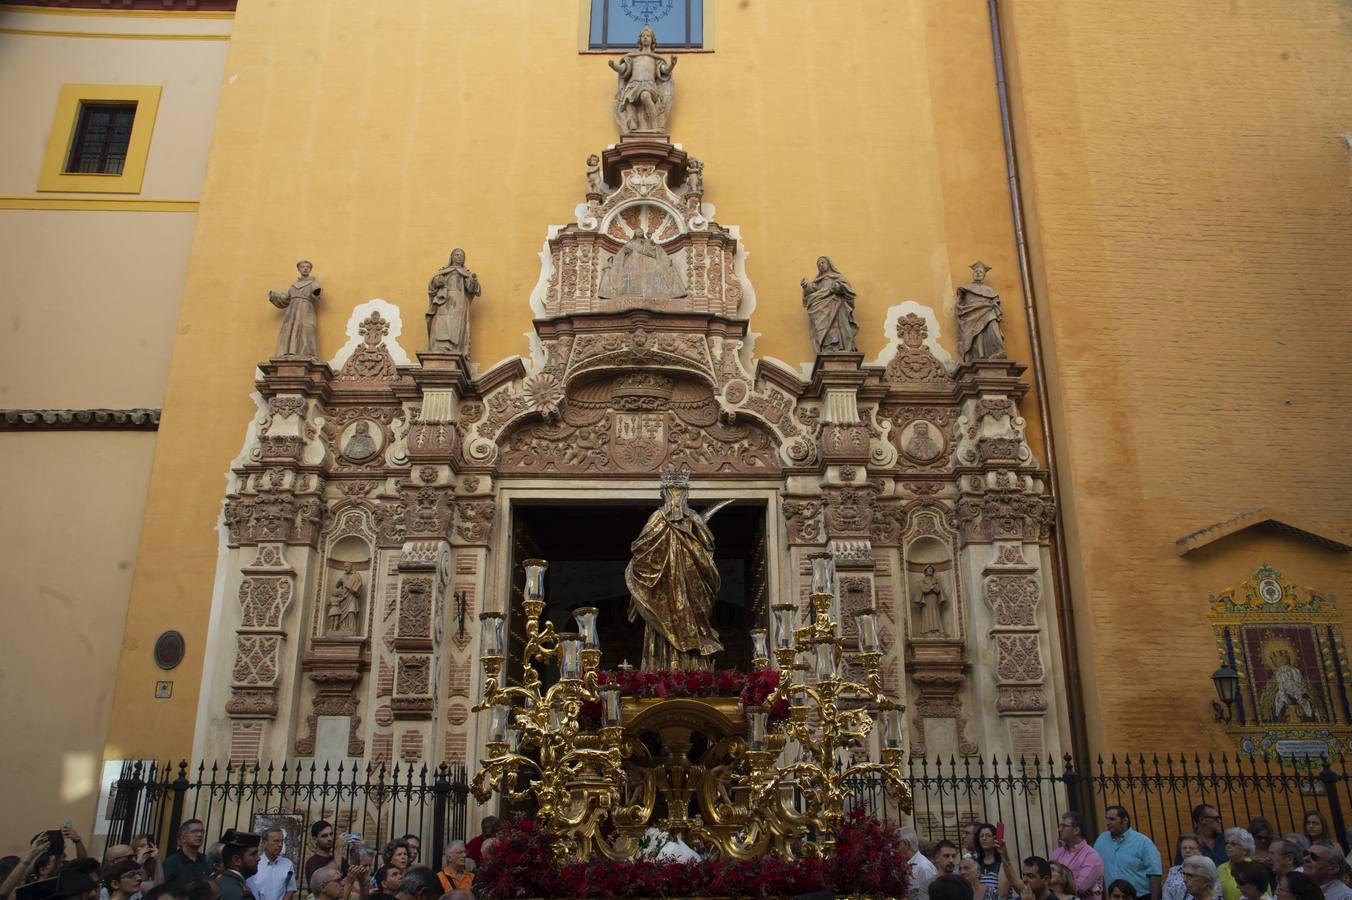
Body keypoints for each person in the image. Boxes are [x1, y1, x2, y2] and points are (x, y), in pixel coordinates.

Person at [624, 476, 729, 671]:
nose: (676, 497)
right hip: (662, 587)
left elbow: (707, 545)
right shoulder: (658, 517)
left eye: (680, 492)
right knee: (664, 619)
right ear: (665, 494)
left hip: (691, 583)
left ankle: (693, 668)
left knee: (691, 617)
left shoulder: (693, 518)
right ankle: (664, 668)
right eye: (672, 491)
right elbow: (642, 547)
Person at [607, 26, 676, 135]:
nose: (645, 38)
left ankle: (655, 125)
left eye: (648, 36)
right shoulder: (633, 57)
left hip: (649, 86)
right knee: (629, 102)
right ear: (640, 39)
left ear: (652, 39)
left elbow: (664, 70)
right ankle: (632, 125)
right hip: (633, 85)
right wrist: (613, 65)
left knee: (645, 96)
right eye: (643, 36)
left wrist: (672, 64)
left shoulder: (655, 58)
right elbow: (623, 69)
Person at [1094, 806, 1162, 900]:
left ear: (1125, 820)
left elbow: (1155, 874)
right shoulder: (1102, 839)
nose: (1108, 822)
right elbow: (1095, 866)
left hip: (1140, 896)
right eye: (1107, 819)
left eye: (1112, 819)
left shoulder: (1143, 842)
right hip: (1114, 897)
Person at [425, 249, 481, 355]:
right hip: (443, 302)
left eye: (461, 255)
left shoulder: (466, 274)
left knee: (456, 325)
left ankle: (454, 348)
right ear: (452, 257)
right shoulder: (444, 271)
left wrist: (473, 280)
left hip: (459, 303)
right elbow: (432, 286)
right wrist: (437, 282)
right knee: (440, 322)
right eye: (457, 255)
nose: (459, 257)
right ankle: (438, 347)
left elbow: (472, 289)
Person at [800, 256, 859, 353]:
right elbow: (813, 290)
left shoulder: (838, 277)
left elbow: (847, 290)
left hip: (837, 306)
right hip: (823, 309)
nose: (821, 265)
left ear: (829, 264)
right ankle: (828, 348)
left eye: (823, 263)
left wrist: (839, 287)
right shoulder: (819, 281)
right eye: (819, 265)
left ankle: (842, 347)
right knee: (825, 329)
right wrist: (806, 286)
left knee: (839, 328)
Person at [266, 259, 321, 360]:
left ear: (310, 269)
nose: (305, 269)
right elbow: (284, 298)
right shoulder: (293, 287)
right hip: (292, 310)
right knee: (290, 329)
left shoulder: (313, 283)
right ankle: (290, 351)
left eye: (307, 267)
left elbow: (316, 293)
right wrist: (274, 295)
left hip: (306, 308)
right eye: (303, 267)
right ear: (299, 269)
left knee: (306, 329)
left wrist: (316, 292)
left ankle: (307, 353)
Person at [954, 260, 1006, 363]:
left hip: (988, 311)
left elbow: (996, 302)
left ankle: (997, 352)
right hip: (971, 315)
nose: (978, 273)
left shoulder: (990, 290)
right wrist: (961, 310)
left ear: (984, 275)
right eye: (976, 271)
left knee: (993, 328)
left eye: (980, 272)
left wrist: (992, 305)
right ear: (973, 274)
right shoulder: (965, 288)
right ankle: (978, 355)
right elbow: (959, 305)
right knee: (976, 334)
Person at [1053, 812, 1105, 900]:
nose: (1059, 829)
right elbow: (1046, 879)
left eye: (1064, 826)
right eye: (1060, 826)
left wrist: (1056, 883)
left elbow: (1080, 886)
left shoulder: (1091, 856)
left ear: (1076, 830)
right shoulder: (1057, 853)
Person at [1166, 834, 1220, 900]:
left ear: (1200, 851)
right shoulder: (1173, 870)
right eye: (1184, 848)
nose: (1187, 851)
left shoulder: (1207, 868)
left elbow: (1214, 891)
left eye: (1191, 848)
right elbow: (1167, 893)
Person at [245, 828, 294, 900]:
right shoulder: (255, 863)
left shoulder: (287, 864)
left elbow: (290, 889)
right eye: (276, 841)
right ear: (264, 843)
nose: (280, 845)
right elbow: (248, 889)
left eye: (282, 841)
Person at [213, 830, 260, 900]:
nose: (258, 858)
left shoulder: (215, 882)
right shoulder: (242, 894)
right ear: (236, 860)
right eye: (253, 854)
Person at [164, 821, 211, 886]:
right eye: (194, 831)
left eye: (202, 832)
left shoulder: (206, 860)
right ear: (183, 838)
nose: (199, 834)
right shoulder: (172, 862)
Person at [899, 826, 939, 900]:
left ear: (906, 844)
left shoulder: (923, 867)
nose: (893, 846)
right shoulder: (905, 864)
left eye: (897, 843)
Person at [1219, 829, 1257, 900]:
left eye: (1233, 844)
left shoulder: (1254, 868)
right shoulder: (1220, 868)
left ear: (1245, 850)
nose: (1228, 846)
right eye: (1227, 843)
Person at [972, 824, 1006, 900]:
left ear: (995, 839)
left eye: (988, 835)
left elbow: (1003, 896)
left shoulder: (1001, 864)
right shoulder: (976, 863)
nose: (984, 838)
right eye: (981, 836)